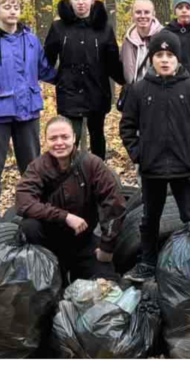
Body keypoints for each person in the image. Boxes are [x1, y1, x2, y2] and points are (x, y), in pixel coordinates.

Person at [119, 30, 190, 283]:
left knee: (188, 218)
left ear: (178, 59)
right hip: (152, 169)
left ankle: (189, 263)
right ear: (151, 58)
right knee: (150, 219)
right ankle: (147, 263)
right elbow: (127, 126)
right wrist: (137, 153)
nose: (164, 60)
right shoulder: (139, 90)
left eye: (170, 55)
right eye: (159, 55)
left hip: (184, 168)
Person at [14, 116, 127, 284]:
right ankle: (49, 277)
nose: (59, 142)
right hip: (47, 243)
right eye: (53, 138)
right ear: (45, 141)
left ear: (74, 138)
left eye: (64, 137)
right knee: (28, 226)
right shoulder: (37, 167)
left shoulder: (92, 164)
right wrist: (65, 216)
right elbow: (23, 202)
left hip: (82, 239)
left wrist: (106, 247)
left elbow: (114, 203)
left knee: (107, 283)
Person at [0, 0, 54, 214]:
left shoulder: (31, 40)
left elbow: (45, 70)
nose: (12, 11)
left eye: (16, 7)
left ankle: (37, 207)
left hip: (28, 112)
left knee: (32, 166)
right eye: (6, 7)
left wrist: (70, 76)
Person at [42, 0, 125, 161]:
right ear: (70, 0)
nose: (81, 2)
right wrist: (58, 79)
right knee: (70, 140)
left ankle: (98, 180)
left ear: (92, 0)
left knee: (98, 140)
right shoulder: (58, 28)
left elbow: (112, 63)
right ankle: (67, 182)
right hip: (69, 93)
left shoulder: (104, 28)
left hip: (97, 92)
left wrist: (127, 82)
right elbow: (46, 60)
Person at [120, 0, 161, 86]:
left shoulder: (163, 37)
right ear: (132, 15)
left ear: (153, 14)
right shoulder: (128, 41)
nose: (142, 16)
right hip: (135, 94)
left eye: (147, 12)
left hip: (158, 93)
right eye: (138, 12)